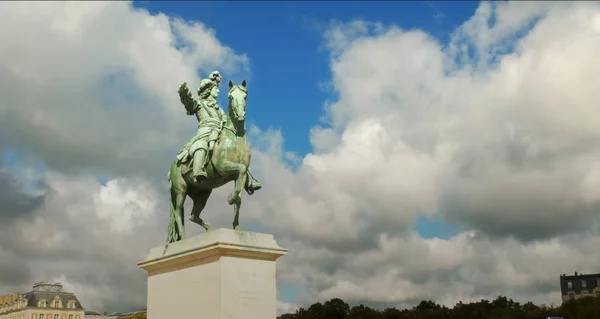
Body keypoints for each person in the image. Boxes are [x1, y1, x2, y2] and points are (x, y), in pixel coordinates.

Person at [176, 71, 261, 192]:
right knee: (201, 145)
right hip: (205, 132)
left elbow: (226, 120)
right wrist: (185, 92)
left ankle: (248, 180)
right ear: (208, 90)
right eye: (215, 89)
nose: (218, 91)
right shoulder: (199, 104)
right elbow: (190, 101)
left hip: (219, 131)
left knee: (234, 149)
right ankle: (198, 171)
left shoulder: (218, 109)